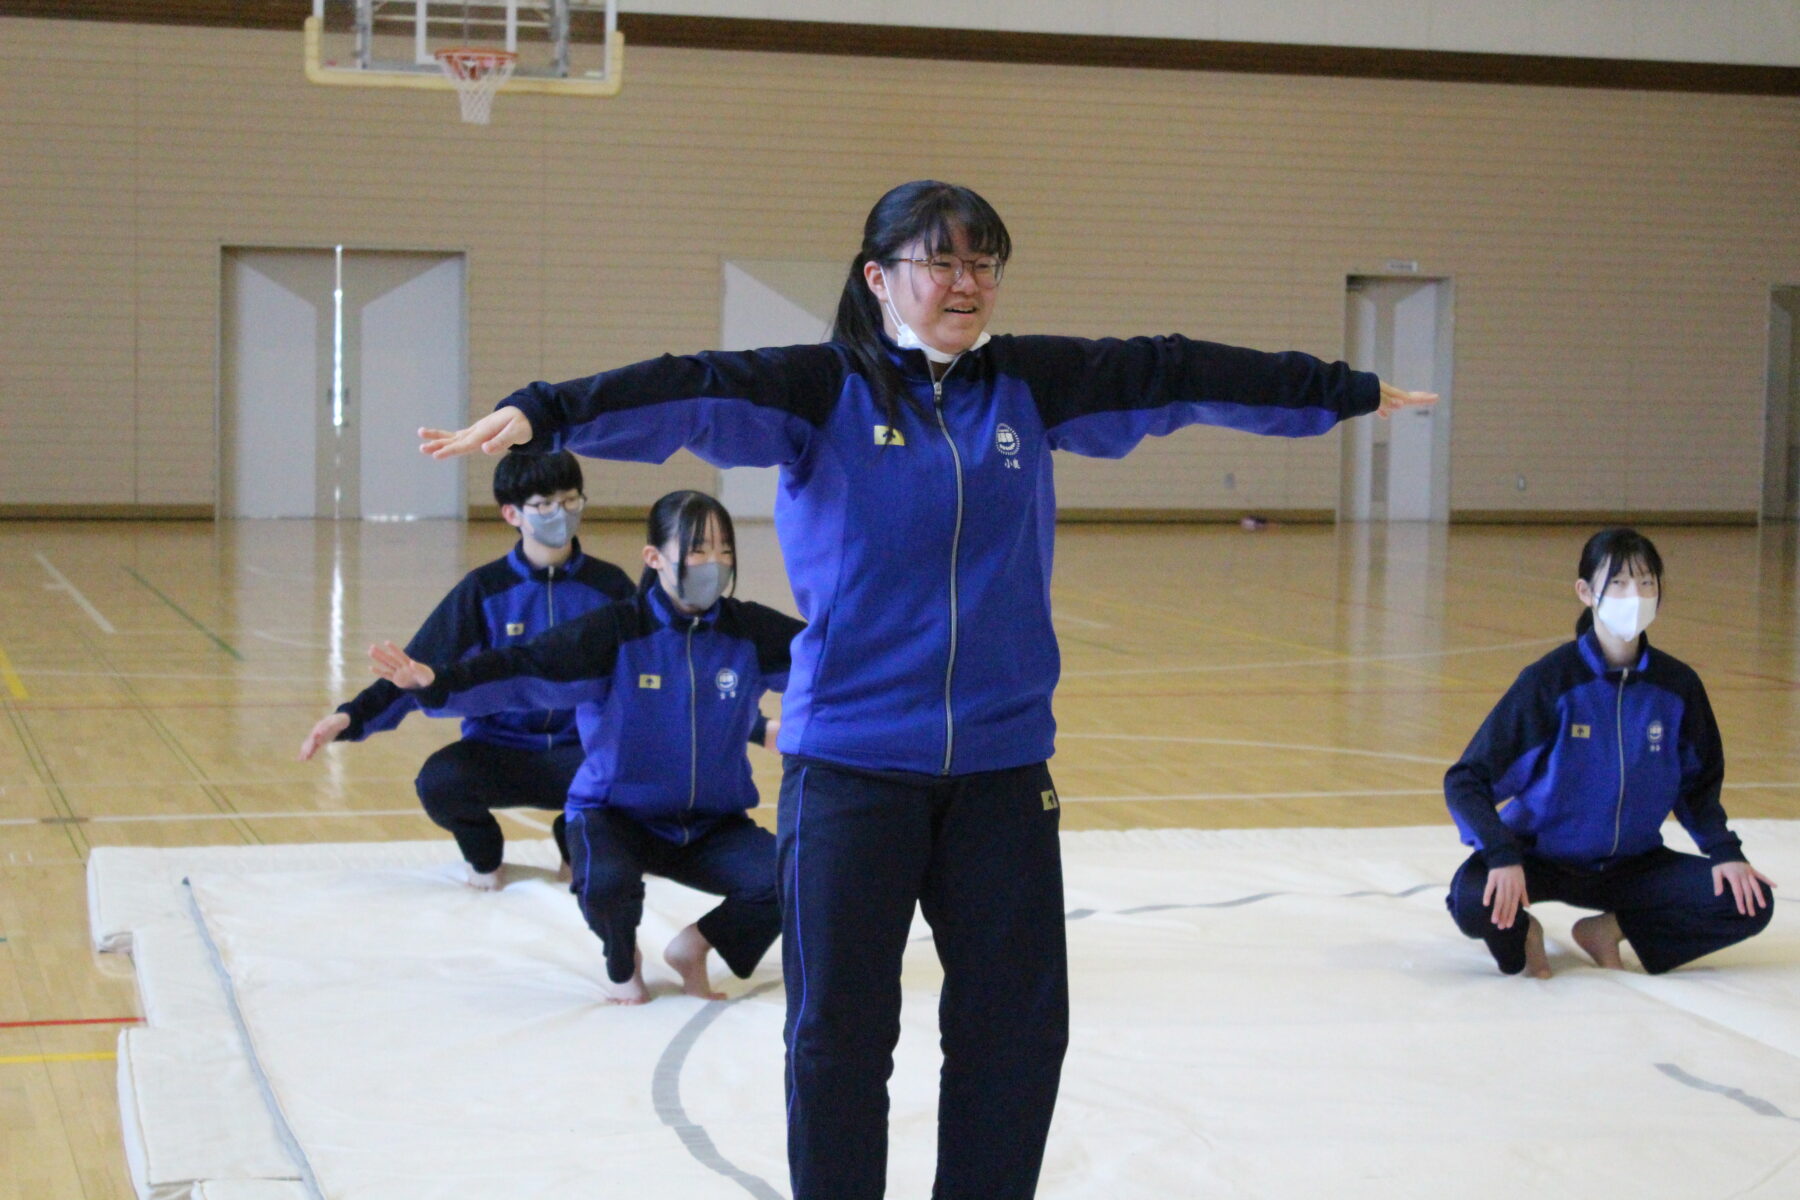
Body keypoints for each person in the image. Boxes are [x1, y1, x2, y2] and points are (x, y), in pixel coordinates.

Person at [416, 180, 1435, 1199]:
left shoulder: (1028, 385)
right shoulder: (823, 390)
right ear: (879, 276)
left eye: (983, 262)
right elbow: (691, 383)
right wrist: (545, 411)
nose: (966, 283)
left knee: (1018, 1037)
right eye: (940, 262)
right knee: (839, 1041)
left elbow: (1173, 372)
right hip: (853, 769)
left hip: (1000, 772)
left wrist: (1334, 388)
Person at [368, 490, 803, 1004]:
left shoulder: (750, 633)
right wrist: (438, 681)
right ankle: (624, 961)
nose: (715, 564)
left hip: (711, 824)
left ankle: (695, 947)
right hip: (615, 817)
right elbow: (524, 666)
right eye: (698, 550)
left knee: (795, 874)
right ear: (654, 558)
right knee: (607, 886)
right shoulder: (615, 633)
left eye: (724, 551)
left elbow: (834, 664)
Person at [1444, 527, 1776, 979]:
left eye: (1646, 583)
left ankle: (1609, 929)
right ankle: (1524, 934)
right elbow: (1467, 780)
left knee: (1748, 902)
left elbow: (1697, 785)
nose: (1633, 595)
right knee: (1471, 900)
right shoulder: (1551, 683)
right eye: (1617, 582)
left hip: (1632, 866)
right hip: (1539, 858)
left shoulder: (1677, 688)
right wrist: (1501, 855)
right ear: (1585, 591)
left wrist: (1725, 852)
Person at [298, 451, 633, 889]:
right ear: (512, 513)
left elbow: (649, 670)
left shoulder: (610, 588)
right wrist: (351, 717)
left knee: (643, 775)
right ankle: (485, 856)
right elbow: (416, 669)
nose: (562, 513)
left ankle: (576, 838)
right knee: (440, 781)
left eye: (571, 501)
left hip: (581, 753)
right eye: (545, 505)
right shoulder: (484, 591)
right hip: (499, 751)